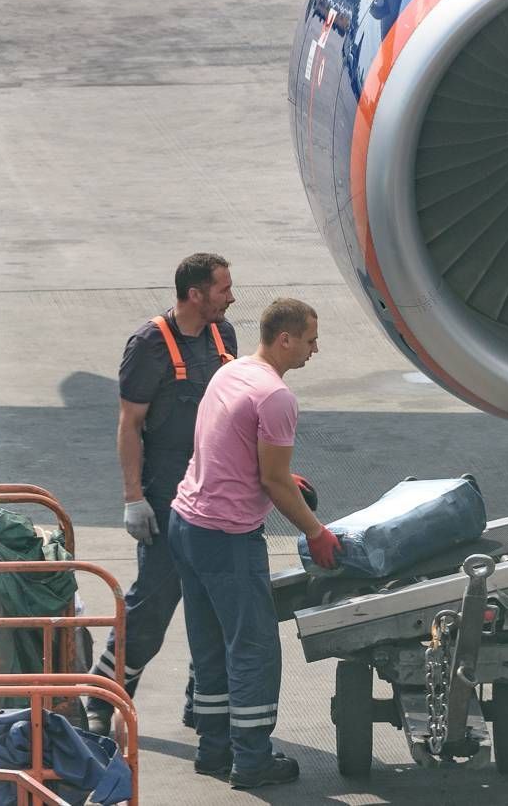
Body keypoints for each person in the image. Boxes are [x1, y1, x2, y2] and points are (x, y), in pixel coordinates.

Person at [168, 298, 342, 788]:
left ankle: (213, 750)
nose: (315, 349)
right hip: (227, 537)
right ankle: (252, 761)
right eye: (310, 339)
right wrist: (316, 531)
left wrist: (278, 474)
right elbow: (274, 481)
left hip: (186, 522)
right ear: (285, 339)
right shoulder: (277, 397)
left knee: (209, 643)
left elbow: (222, 444)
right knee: (254, 648)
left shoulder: (232, 372)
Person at [88, 253, 236, 739]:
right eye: (222, 290)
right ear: (195, 294)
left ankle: (205, 705)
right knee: (153, 602)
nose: (231, 298)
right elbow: (130, 424)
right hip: (168, 493)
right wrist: (134, 497)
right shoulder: (149, 344)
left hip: (216, 490)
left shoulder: (224, 336)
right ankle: (103, 692)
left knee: (216, 602)